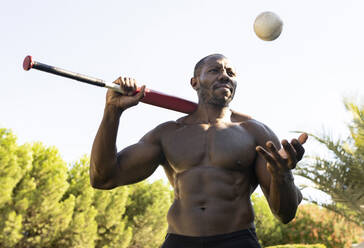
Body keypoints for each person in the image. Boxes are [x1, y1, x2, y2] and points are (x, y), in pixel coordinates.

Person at [90, 54, 308, 248]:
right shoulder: (168, 133)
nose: (225, 76)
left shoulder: (254, 132)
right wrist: (113, 110)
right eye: (215, 70)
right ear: (194, 82)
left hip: (237, 240)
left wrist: (283, 176)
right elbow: (103, 178)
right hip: (180, 241)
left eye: (230, 72)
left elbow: (285, 214)